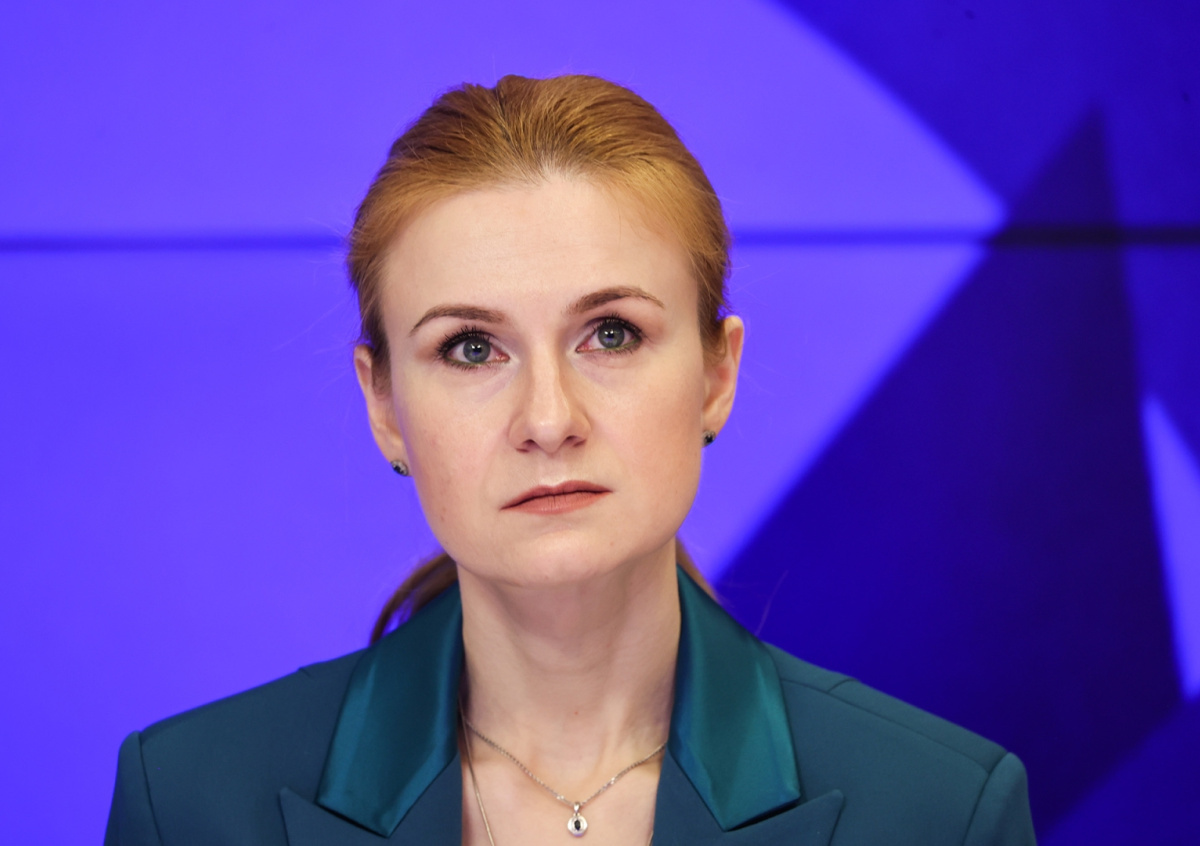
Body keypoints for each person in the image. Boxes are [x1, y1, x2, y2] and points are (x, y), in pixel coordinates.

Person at [105, 74, 1037, 846]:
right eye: (472, 348)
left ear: (716, 376)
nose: (548, 421)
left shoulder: (940, 812)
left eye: (611, 334)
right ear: (383, 405)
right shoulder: (189, 803)